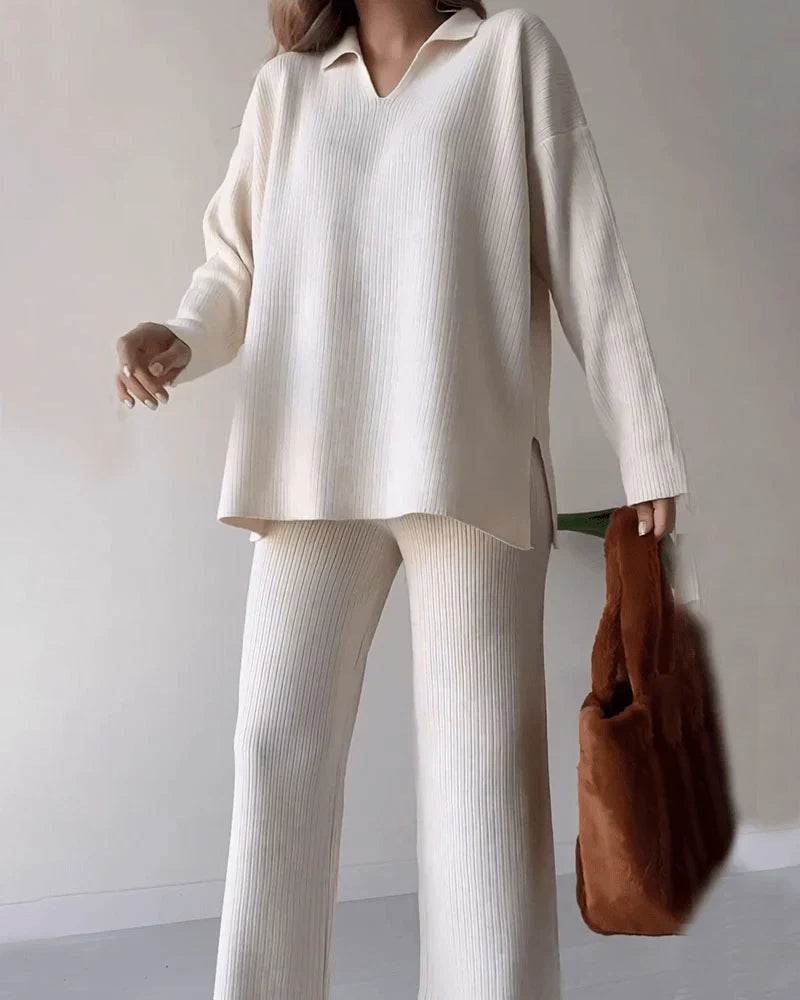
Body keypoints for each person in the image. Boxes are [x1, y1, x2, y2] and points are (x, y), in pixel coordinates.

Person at [115, 2, 689, 998]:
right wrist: (177, 335)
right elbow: (232, 266)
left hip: (468, 468)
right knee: (275, 751)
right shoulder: (287, 91)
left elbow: (586, 257)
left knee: (480, 784)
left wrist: (647, 451)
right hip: (309, 469)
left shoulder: (508, 57)